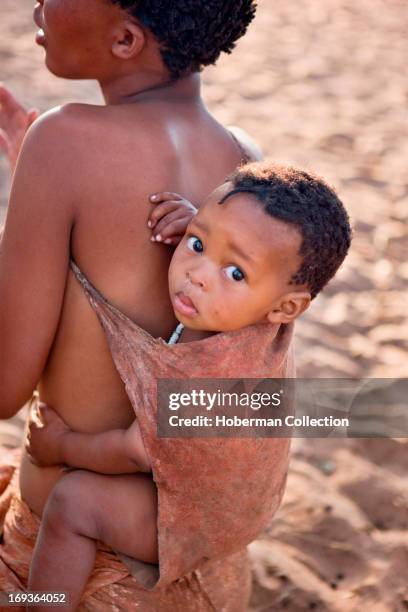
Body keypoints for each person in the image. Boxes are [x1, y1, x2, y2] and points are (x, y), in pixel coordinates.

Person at [0, 1, 282, 609]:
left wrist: (35, 203)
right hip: (202, 572)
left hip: (70, 569)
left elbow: (4, 390)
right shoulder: (244, 158)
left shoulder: (63, 139)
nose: (37, 6)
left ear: (126, 38)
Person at [24, 161, 351, 610]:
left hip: (202, 522)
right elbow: (246, 243)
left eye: (234, 273)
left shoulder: (205, 381)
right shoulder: (262, 306)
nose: (196, 273)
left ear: (286, 308)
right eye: (197, 243)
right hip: (245, 499)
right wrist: (210, 235)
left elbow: (133, 451)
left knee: (73, 502)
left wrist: (59, 446)